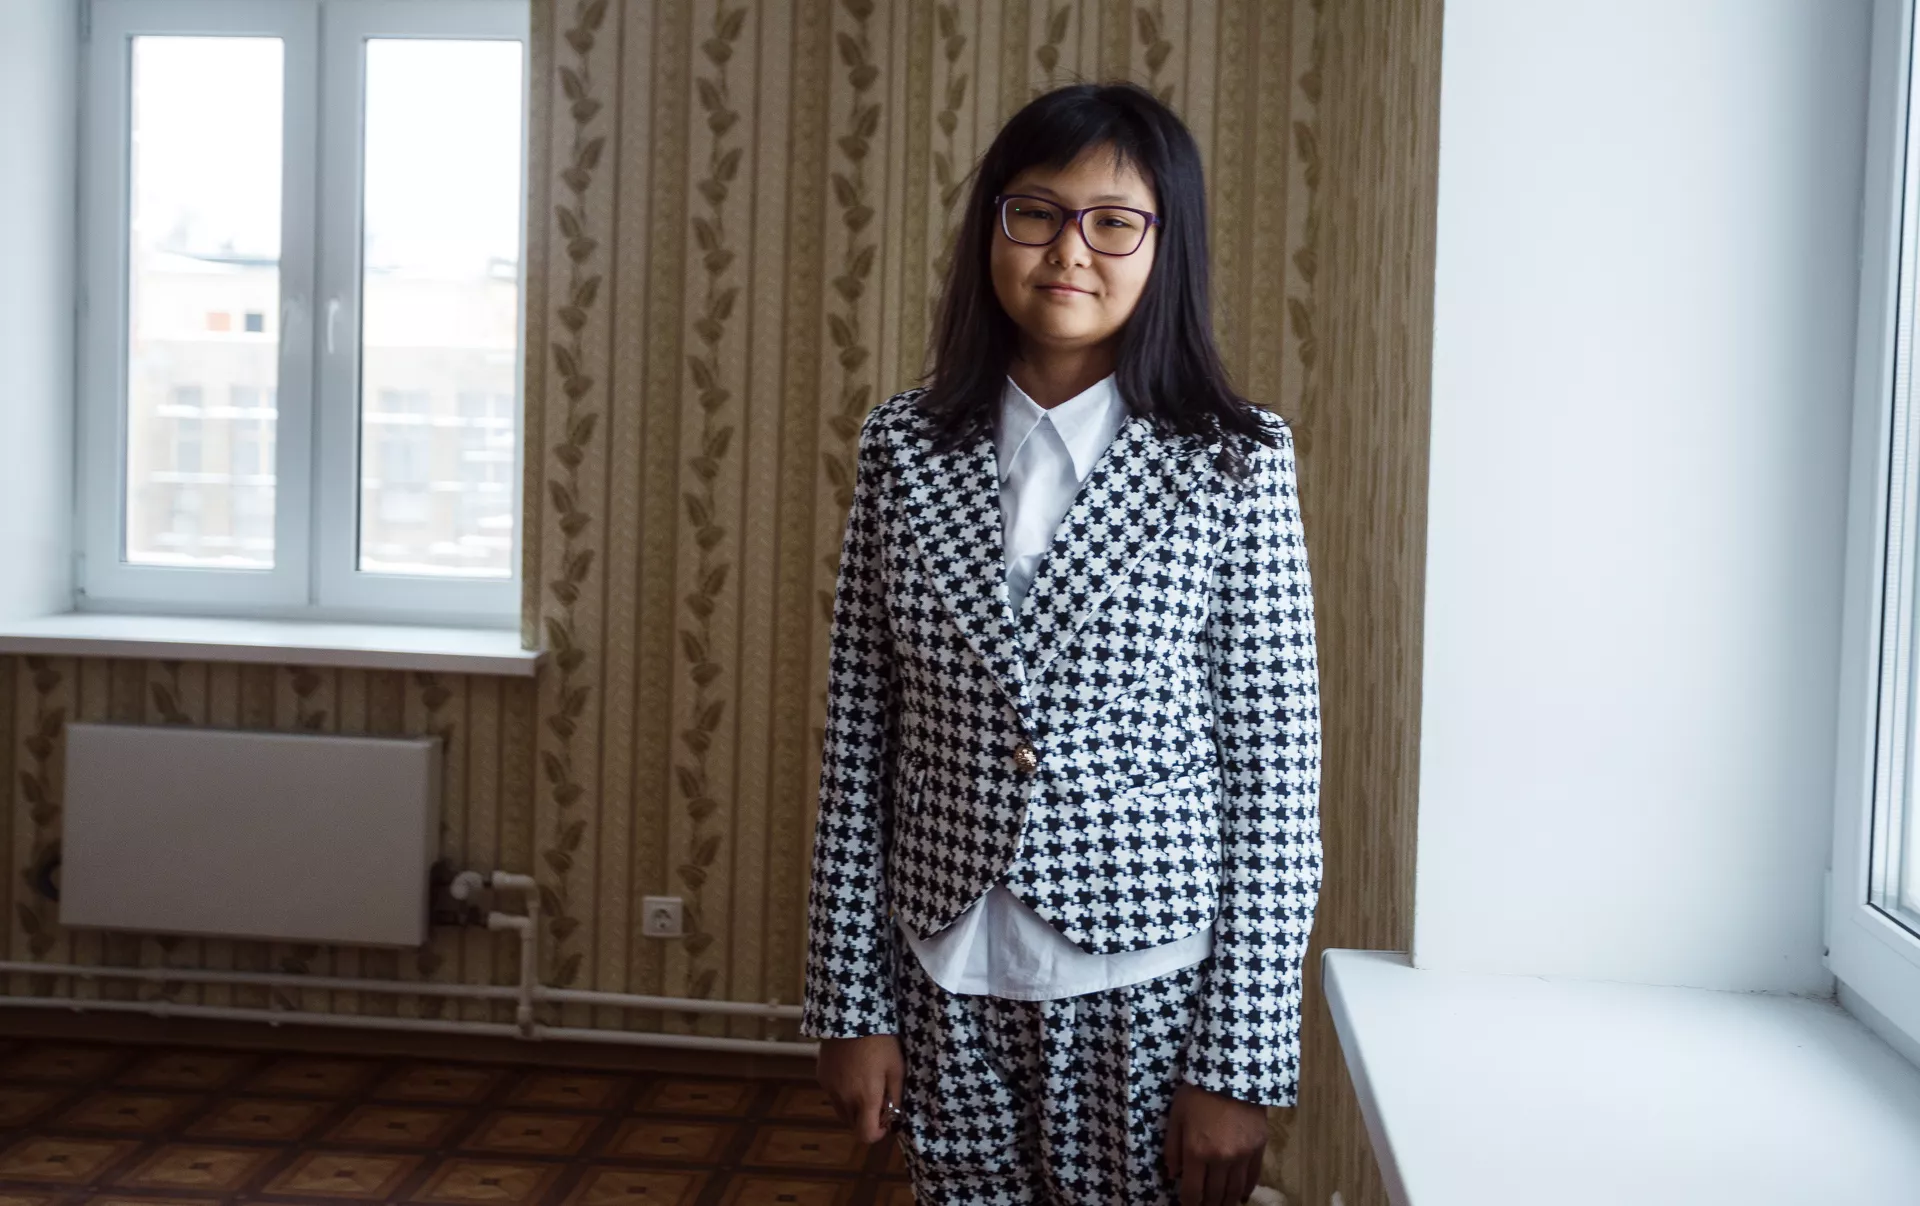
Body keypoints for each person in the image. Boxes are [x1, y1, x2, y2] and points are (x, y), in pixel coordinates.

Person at [800, 80, 1322, 1206]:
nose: (1069, 250)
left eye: (1114, 221)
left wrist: (1240, 1062)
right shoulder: (904, 447)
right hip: (942, 964)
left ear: (1163, 246)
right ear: (992, 225)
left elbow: (1276, 777)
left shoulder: (1232, 460)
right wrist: (849, 1005)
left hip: (1148, 978)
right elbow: (857, 743)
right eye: (1036, 212)